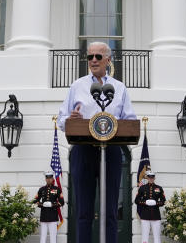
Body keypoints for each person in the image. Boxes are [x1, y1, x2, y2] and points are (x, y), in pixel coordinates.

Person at [57, 41, 137, 243]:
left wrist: (119, 124)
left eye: (98, 57)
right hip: (83, 150)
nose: (93, 60)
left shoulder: (119, 88)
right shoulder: (77, 86)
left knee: (110, 211)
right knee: (83, 210)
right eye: (90, 56)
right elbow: (61, 120)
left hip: (111, 151)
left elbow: (129, 119)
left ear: (108, 60)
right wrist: (71, 121)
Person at [134, 170, 166, 243]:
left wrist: (156, 203)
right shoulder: (142, 188)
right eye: (149, 177)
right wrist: (145, 202)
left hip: (156, 216)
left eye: (152, 177)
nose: (151, 179)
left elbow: (163, 201)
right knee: (144, 238)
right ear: (147, 178)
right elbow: (136, 200)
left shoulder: (159, 188)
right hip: (145, 216)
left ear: (154, 178)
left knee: (157, 238)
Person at [34, 170, 65, 243]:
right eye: (47, 178)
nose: (48, 179)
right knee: (42, 237)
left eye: (50, 178)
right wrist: (42, 204)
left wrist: (52, 204)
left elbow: (62, 202)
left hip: (53, 217)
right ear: (45, 179)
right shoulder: (42, 189)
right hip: (44, 216)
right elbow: (35, 201)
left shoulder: (57, 189)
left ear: (53, 178)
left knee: (53, 238)